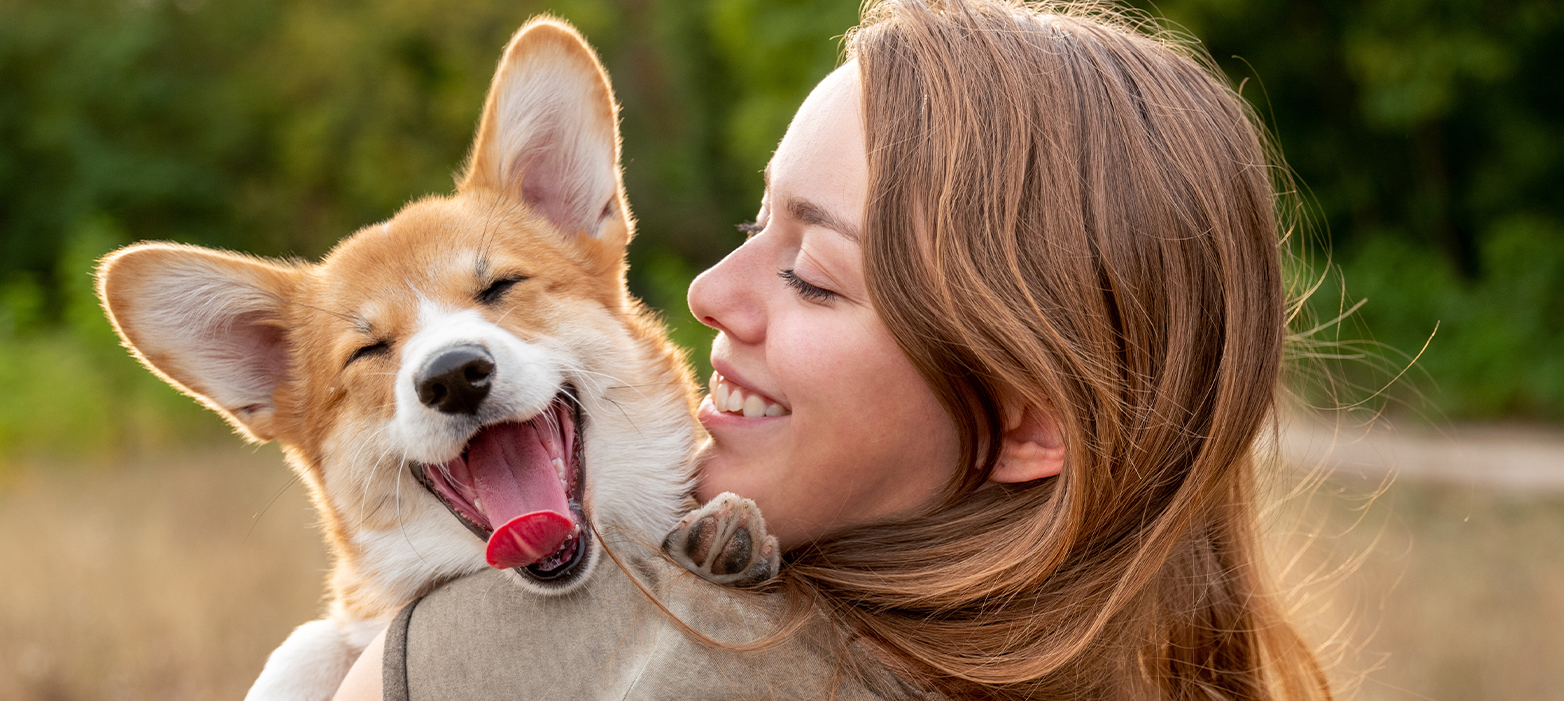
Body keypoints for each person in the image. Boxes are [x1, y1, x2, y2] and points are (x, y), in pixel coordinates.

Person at [339, 0, 1329, 698]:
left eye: (811, 271)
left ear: (1025, 419)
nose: (705, 293)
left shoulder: (520, 655)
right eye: (752, 221)